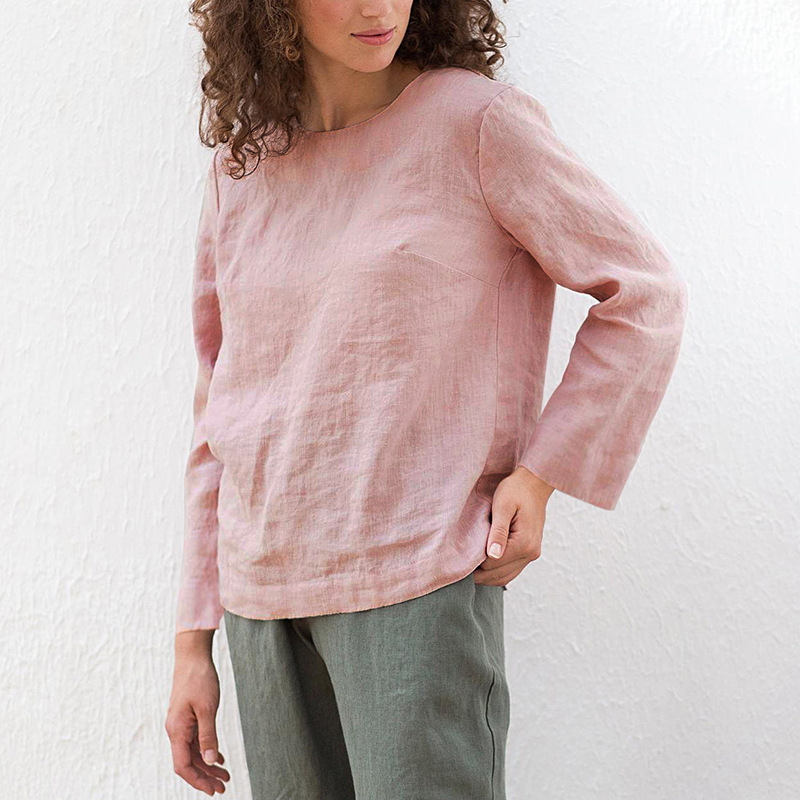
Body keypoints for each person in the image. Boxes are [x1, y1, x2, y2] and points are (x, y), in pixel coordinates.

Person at [164, 0, 689, 797]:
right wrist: (191, 642)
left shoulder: (475, 125)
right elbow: (219, 408)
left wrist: (541, 476)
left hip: (415, 580)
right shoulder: (242, 168)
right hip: (260, 601)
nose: (378, 6)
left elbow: (644, 295)